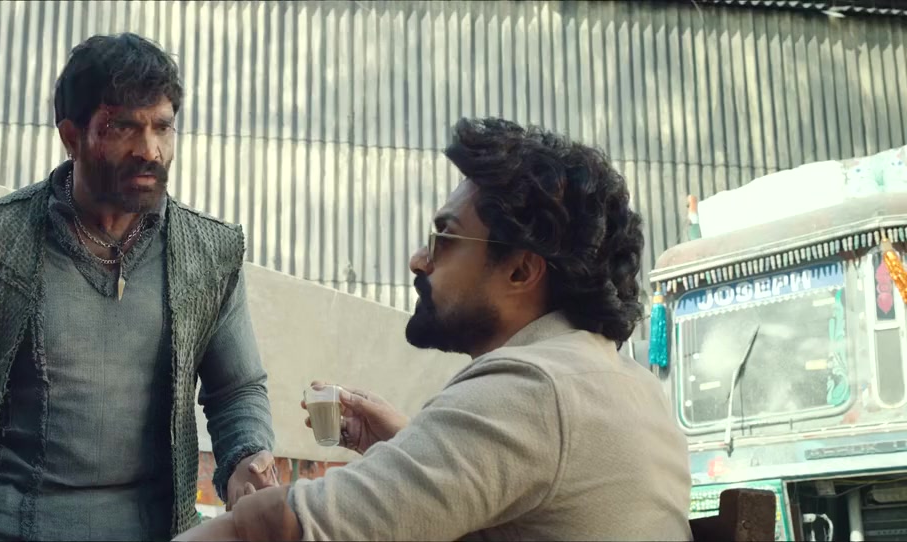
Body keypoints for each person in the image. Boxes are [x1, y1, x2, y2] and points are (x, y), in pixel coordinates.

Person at [176, 117, 692, 541]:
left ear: (520, 271)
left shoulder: (531, 387)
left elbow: (288, 528)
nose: (419, 260)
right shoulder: (628, 384)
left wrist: (246, 518)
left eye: (445, 237)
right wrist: (408, 445)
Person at [0, 33, 278, 542]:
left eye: (162, 127)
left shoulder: (208, 255)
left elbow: (237, 390)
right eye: (122, 127)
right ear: (71, 135)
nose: (149, 150)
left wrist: (246, 459)